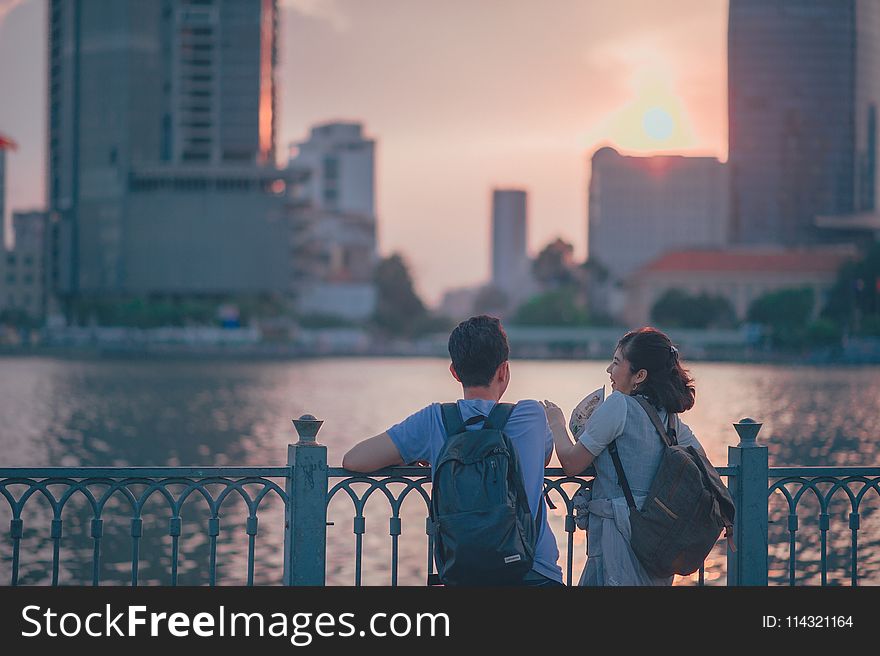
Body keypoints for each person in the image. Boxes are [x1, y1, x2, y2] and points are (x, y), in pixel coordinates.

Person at [343, 315, 564, 586]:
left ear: (454, 372)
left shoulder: (433, 420)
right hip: (533, 570)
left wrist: (414, 456)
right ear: (504, 370)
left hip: (464, 573)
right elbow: (541, 460)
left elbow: (354, 460)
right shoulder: (531, 415)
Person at [541, 326, 706, 586]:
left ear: (639, 375)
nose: (609, 370)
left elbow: (572, 464)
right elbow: (701, 462)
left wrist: (556, 424)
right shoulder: (671, 419)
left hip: (617, 534)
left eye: (617, 362)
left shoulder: (619, 405)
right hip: (656, 537)